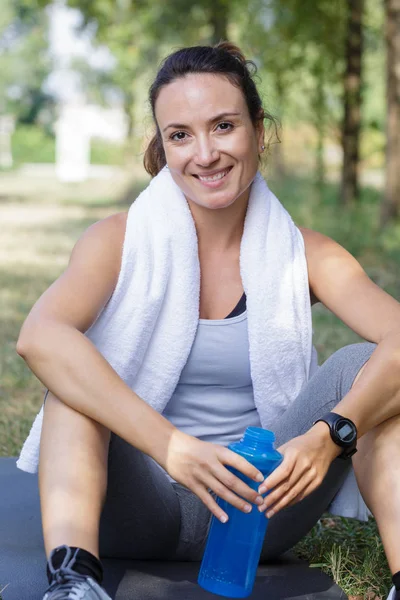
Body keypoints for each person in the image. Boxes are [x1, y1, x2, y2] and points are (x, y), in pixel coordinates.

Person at [16, 42, 400, 600]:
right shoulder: (116, 242)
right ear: (162, 145)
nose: (205, 154)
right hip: (143, 505)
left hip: (263, 505)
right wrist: (171, 445)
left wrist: (331, 434)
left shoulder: (307, 254)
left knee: (373, 367)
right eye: (180, 135)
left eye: (223, 126)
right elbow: (38, 338)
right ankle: (75, 585)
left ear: (258, 130)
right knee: (73, 377)